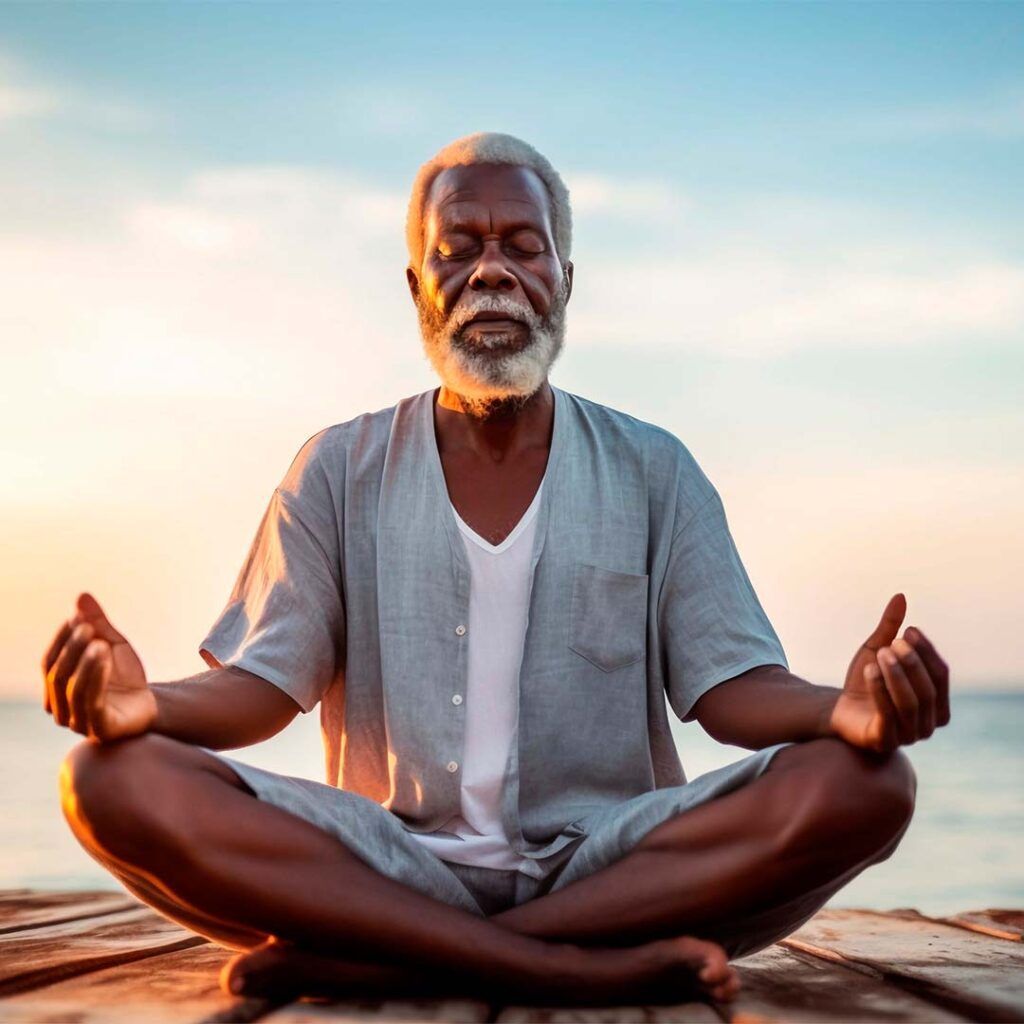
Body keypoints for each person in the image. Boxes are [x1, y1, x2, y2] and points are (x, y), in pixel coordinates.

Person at [44, 132, 949, 1008]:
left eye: (523, 245)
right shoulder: (336, 467)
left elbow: (733, 688)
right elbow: (259, 687)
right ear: (418, 288)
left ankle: (403, 960)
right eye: (457, 249)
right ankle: (566, 969)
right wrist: (140, 708)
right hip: (388, 861)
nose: (490, 269)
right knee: (108, 779)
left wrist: (848, 710)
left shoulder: (653, 467)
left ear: (564, 280)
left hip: (612, 862)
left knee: (868, 784)